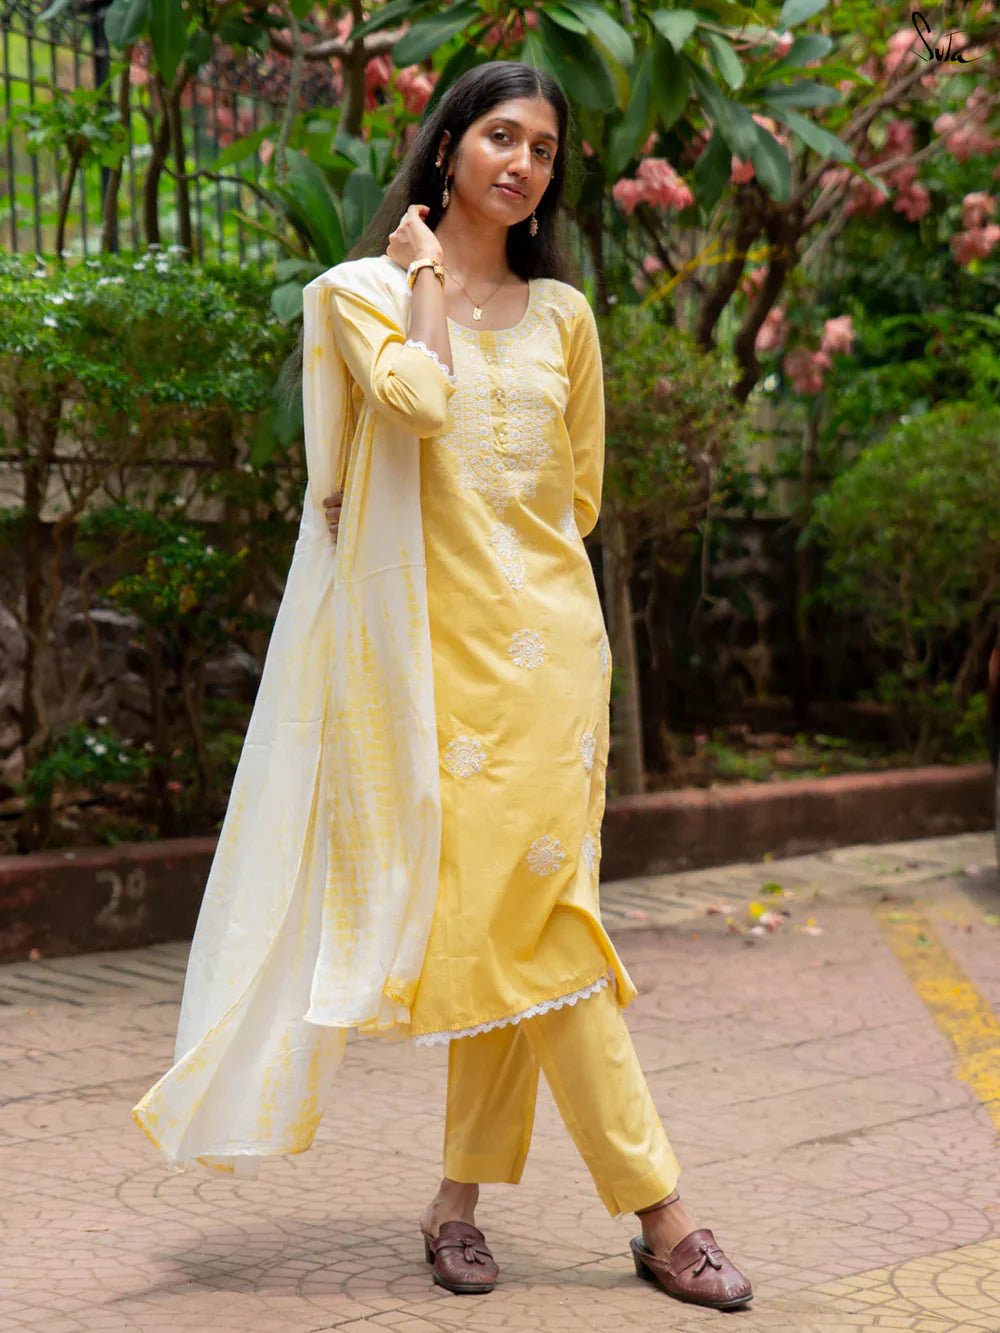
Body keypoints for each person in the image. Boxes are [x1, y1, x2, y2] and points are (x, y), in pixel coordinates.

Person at [133, 61, 752, 1314]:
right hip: (429, 674)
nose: (521, 164)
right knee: (530, 935)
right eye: (500, 137)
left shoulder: (565, 316)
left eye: (543, 149)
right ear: (449, 147)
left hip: (552, 668)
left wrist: (536, 607)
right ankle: (656, 1211)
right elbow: (417, 404)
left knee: (528, 929)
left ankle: (475, 1206)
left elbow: (577, 495)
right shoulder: (360, 295)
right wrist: (421, 274)